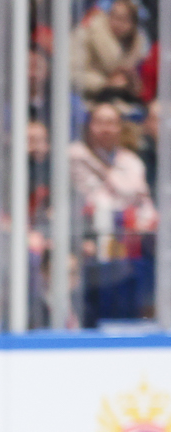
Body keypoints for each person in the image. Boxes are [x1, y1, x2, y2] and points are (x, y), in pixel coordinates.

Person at [70, 98, 159, 325]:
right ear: (88, 126)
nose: (106, 129)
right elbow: (91, 200)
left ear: (120, 127)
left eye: (111, 123)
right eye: (99, 122)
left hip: (128, 242)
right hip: (86, 238)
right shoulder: (74, 156)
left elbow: (142, 201)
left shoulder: (131, 160)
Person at [73, 0, 149, 102]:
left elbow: (141, 88)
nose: (118, 23)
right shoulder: (87, 33)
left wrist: (131, 82)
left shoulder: (136, 45)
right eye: (114, 16)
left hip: (121, 98)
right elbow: (73, 73)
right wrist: (105, 83)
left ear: (133, 23)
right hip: (87, 99)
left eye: (124, 19)